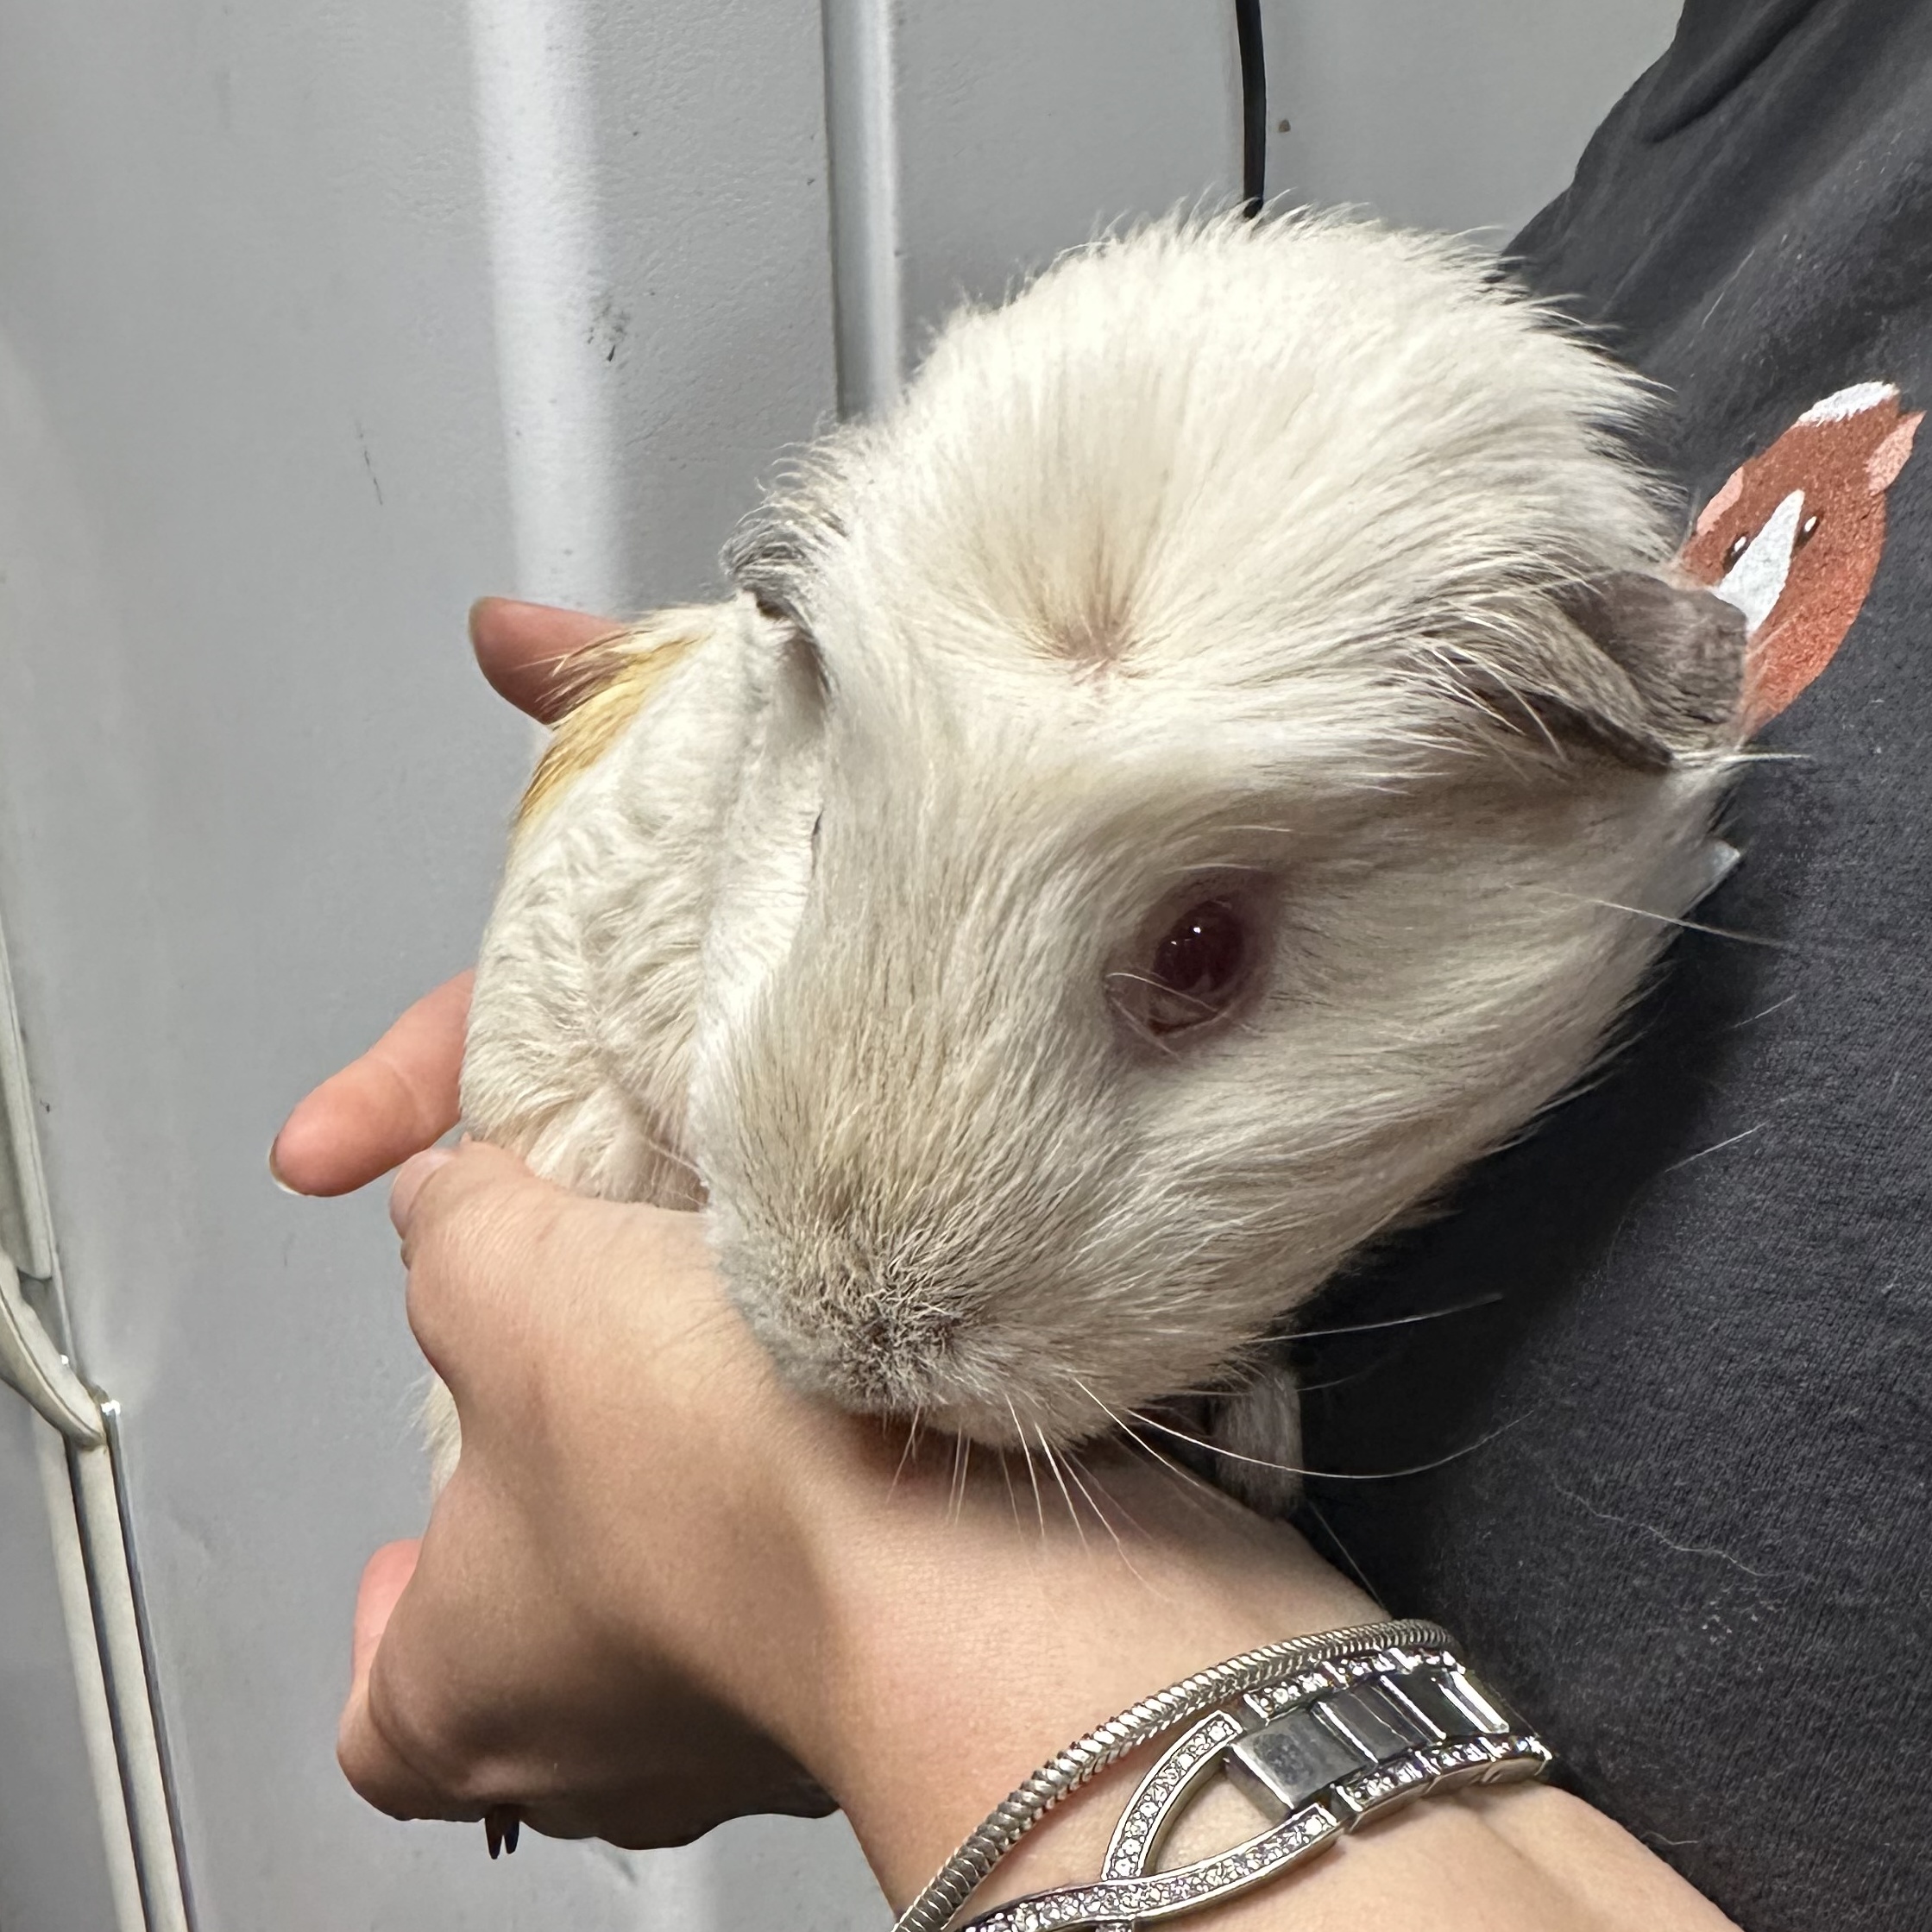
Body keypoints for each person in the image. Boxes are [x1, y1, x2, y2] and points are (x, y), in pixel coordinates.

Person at [277, 1, 1932, 1922]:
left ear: (1575, 722)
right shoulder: (1787, 51)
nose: (866, 1320)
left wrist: (835, 1594)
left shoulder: (1551, 720)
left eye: (1201, 953)